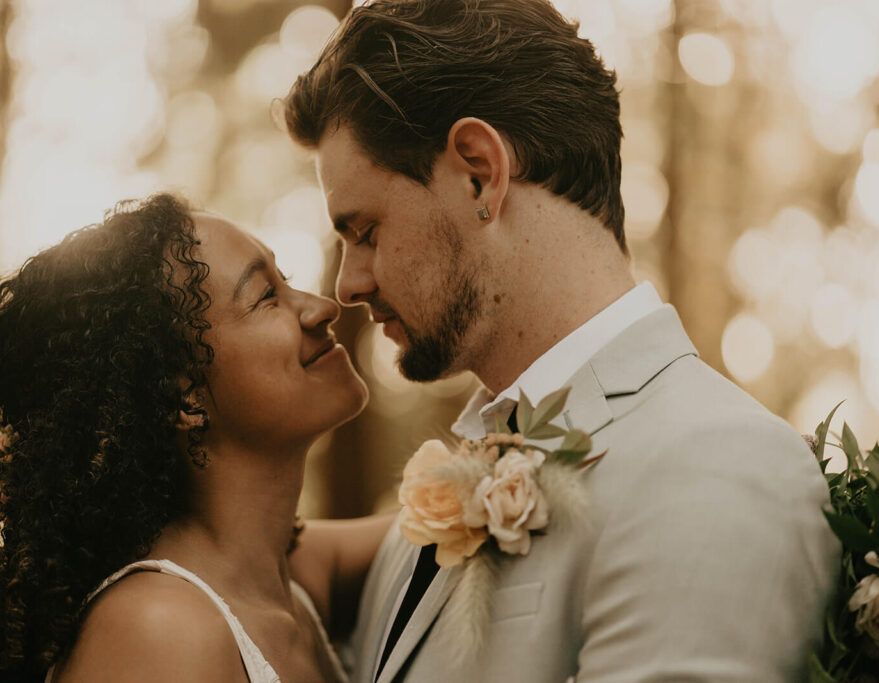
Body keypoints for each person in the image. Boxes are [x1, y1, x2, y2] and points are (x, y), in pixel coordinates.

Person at [282, 0, 841, 680]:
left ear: (480, 173)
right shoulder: (437, 504)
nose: (349, 283)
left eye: (366, 230)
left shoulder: (712, 465)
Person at [0, 194, 391, 682]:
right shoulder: (158, 630)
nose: (322, 308)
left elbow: (470, 501)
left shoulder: (288, 577)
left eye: (286, 280)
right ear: (178, 396)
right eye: (265, 295)